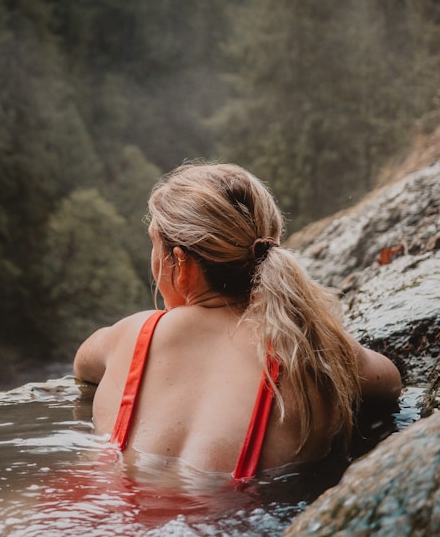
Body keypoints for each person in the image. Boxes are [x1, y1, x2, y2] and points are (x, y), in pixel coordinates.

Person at [74, 162, 401, 483]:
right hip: (239, 511)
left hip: (96, 505)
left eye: (154, 244)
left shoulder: (130, 335)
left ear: (181, 264)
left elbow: (83, 366)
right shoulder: (311, 349)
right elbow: (389, 383)